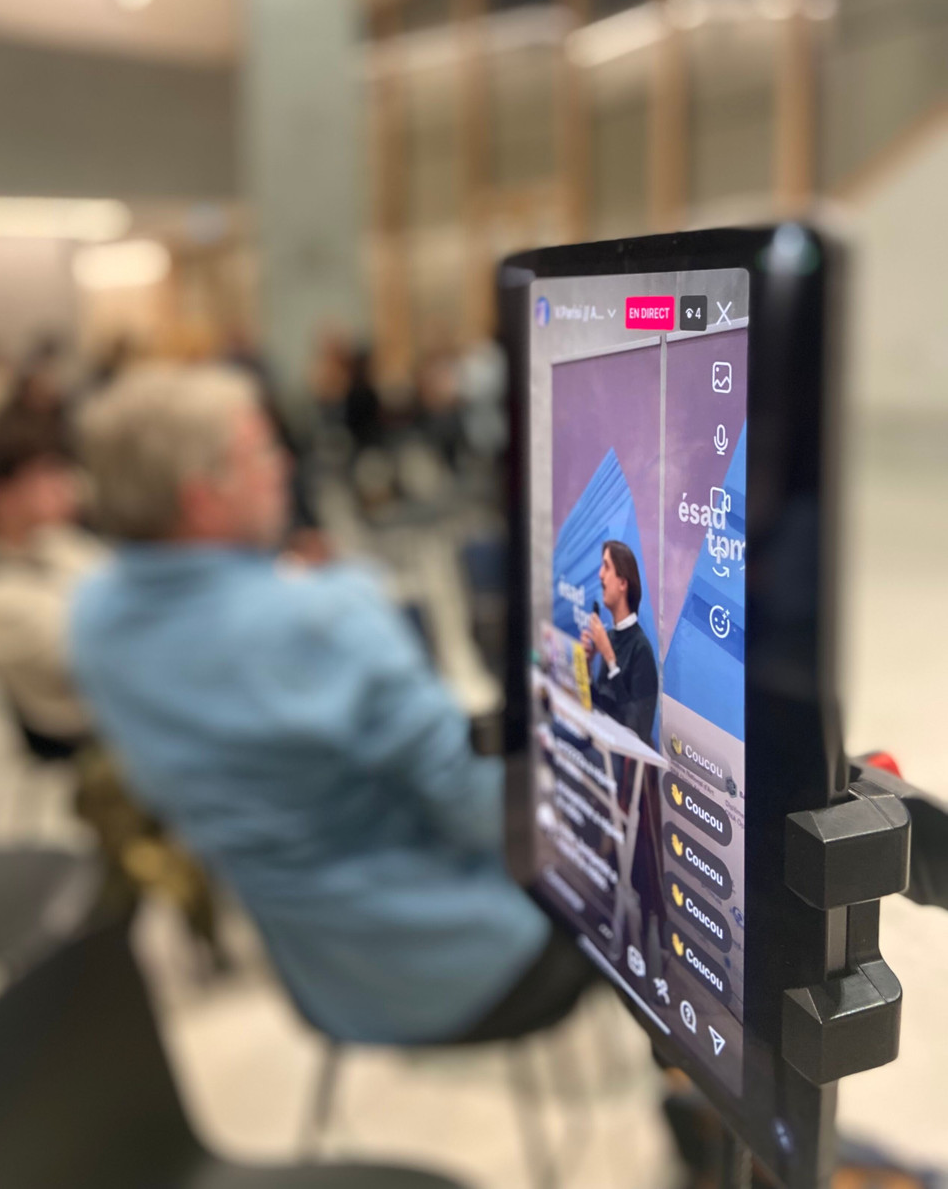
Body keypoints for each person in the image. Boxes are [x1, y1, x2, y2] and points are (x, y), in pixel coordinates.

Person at [71, 363, 595, 1046]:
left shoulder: (92, 620)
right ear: (203, 496)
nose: (282, 465)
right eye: (260, 451)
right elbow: (488, 816)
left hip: (317, 979)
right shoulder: (323, 619)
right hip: (468, 962)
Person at [0, 418, 104, 751]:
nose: (64, 484)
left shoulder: (60, 541)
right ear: (0, 498)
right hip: (96, 745)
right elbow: (111, 659)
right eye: (43, 476)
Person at [580, 540, 658, 749]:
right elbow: (599, 708)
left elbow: (635, 727)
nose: (600, 575)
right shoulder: (610, 637)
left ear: (623, 583)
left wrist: (610, 659)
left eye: (606, 566)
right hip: (601, 743)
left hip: (622, 757)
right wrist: (587, 666)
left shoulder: (641, 649)